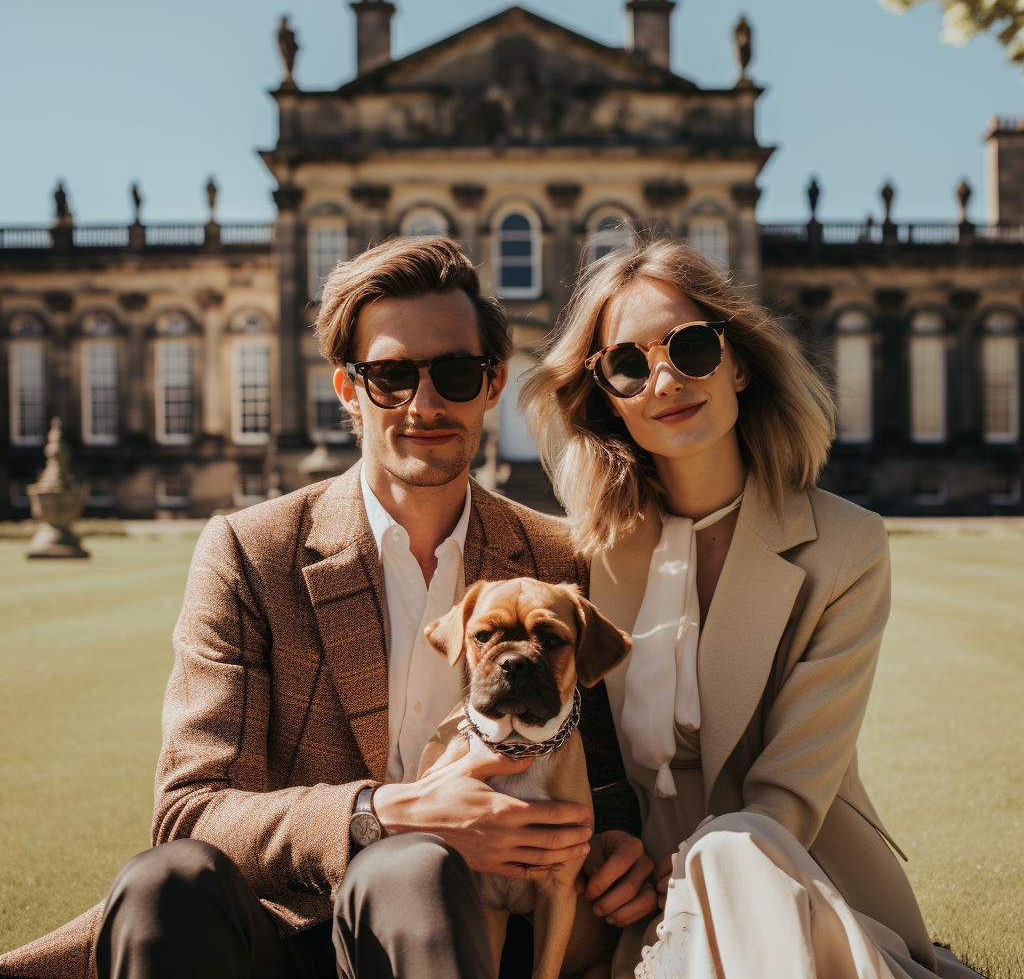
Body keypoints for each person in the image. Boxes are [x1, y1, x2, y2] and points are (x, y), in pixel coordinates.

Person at [0, 236, 648, 979]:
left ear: (495, 383)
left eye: (457, 374)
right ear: (348, 389)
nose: (424, 403)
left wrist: (617, 842)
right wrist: (388, 813)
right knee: (164, 884)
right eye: (391, 376)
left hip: (462, 936)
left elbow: (602, 772)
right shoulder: (251, 552)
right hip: (287, 926)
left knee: (413, 879)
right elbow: (190, 811)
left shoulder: (558, 560)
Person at [520, 237, 984, 979]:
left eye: (692, 347)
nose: (664, 378)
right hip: (629, 909)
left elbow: (787, 800)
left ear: (737, 360)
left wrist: (681, 878)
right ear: (606, 395)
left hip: (800, 884)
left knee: (734, 848)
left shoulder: (846, 546)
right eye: (630, 365)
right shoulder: (582, 557)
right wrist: (614, 850)